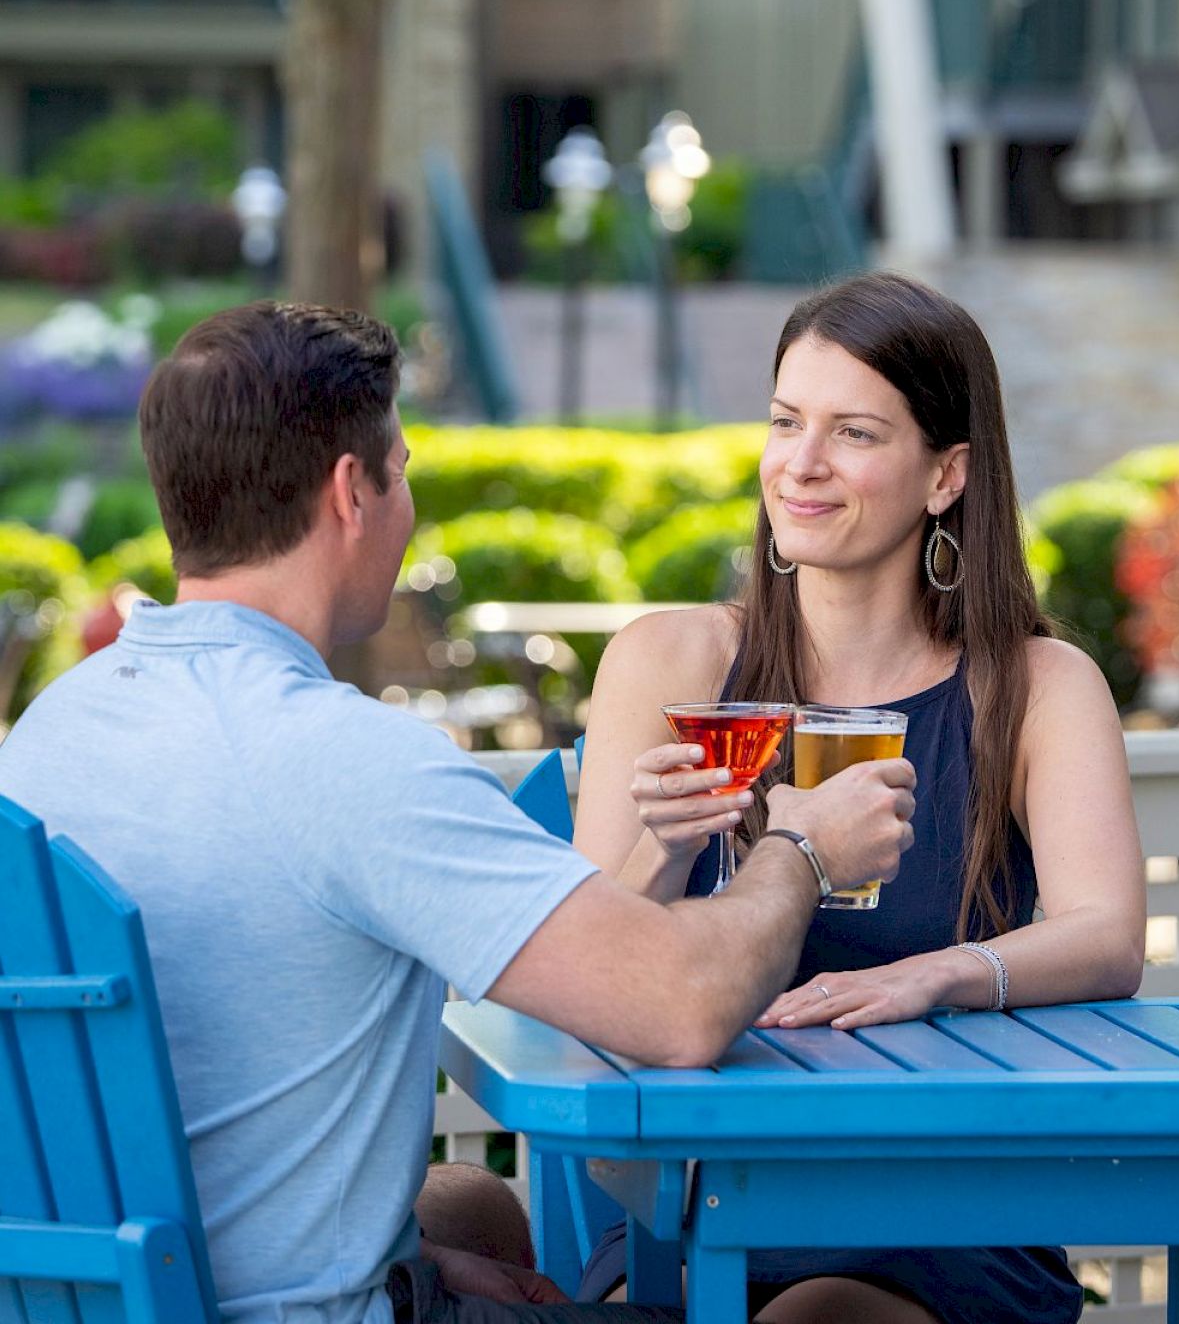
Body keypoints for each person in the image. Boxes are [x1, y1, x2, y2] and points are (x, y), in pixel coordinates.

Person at [0, 302, 916, 1324]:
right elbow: (682, 1006)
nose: (409, 508)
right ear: (353, 491)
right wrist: (800, 844)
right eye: (402, 472)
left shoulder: (52, 731)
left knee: (475, 1213)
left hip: (92, 1297)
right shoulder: (348, 761)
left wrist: (412, 1261)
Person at [573, 273, 1146, 1324]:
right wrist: (660, 851)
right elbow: (597, 971)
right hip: (710, 1187)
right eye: (787, 421)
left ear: (946, 475)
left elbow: (1108, 934)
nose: (801, 464)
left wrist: (934, 976)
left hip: (949, 1198)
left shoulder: (1036, 686)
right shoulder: (676, 660)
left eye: (854, 433)